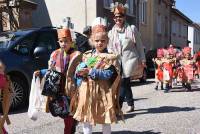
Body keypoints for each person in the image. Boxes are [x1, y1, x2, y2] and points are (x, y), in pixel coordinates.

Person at [72, 17, 121, 134]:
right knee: (86, 117)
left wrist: (90, 72)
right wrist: (79, 71)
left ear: (107, 41)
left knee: (105, 118)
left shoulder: (110, 57)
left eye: (102, 41)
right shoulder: (88, 56)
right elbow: (79, 71)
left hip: (103, 92)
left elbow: (109, 74)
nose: (99, 43)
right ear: (92, 41)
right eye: (97, 41)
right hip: (87, 92)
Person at [34, 27, 81, 134]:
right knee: (64, 111)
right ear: (58, 42)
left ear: (71, 42)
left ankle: (69, 129)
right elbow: (51, 71)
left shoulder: (77, 55)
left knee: (69, 113)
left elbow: (80, 73)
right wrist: (41, 72)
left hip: (72, 89)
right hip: (58, 88)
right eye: (61, 41)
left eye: (66, 41)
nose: (63, 44)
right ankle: (71, 125)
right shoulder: (55, 54)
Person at [108, 2, 146, 112]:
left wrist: (142, 59)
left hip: (130, 59)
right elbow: (110, 47)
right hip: (118, 61)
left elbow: (139, 45)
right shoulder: (112, 32)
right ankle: (131, 104)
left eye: (120, 16)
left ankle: (117, 106)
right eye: (115, 17)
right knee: (125, 82)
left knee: (124, 81)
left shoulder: (132, 29)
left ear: (124, 17)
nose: (117, 19)